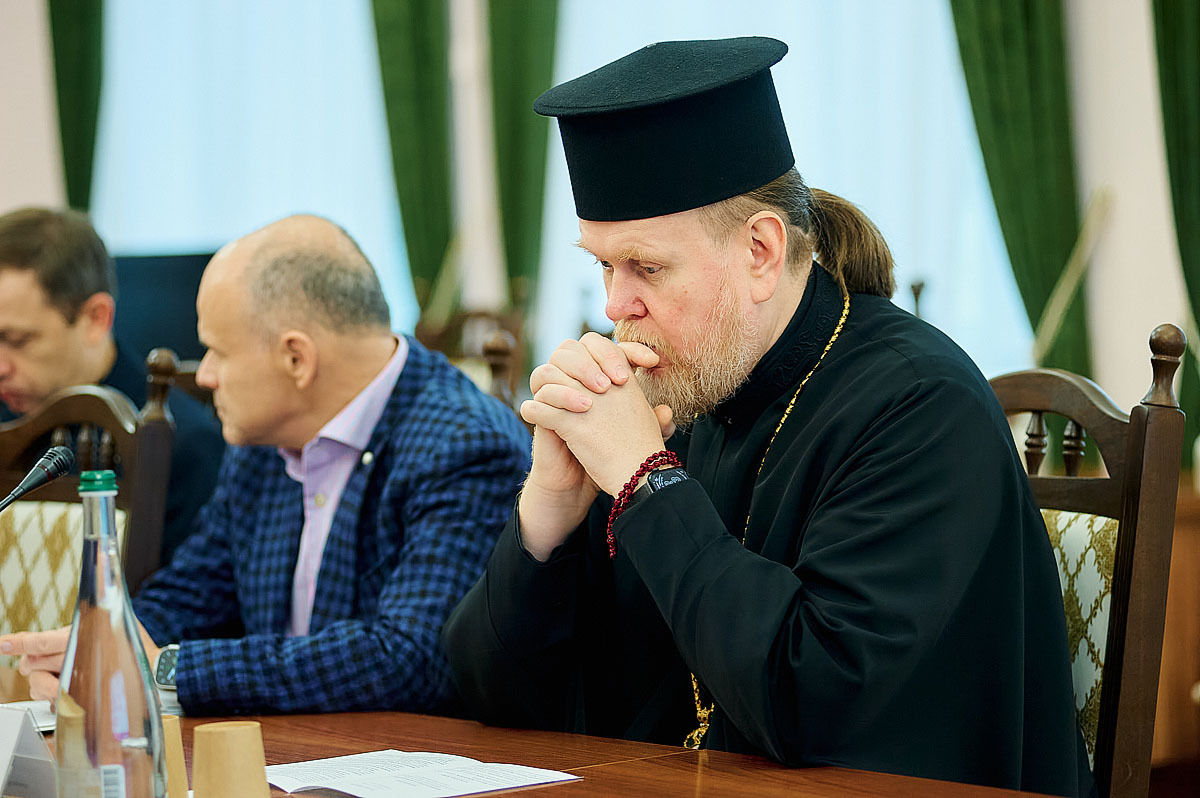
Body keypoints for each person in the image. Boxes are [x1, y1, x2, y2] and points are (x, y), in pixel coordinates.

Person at [442, 37, 1094, 796]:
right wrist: (548, 509)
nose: (617, 306)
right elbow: (490, 695)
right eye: (603, 266)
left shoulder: (921, 405)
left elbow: (816, 709)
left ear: (760, 250)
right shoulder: (688, 387)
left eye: (646, 267)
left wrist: (647, 482)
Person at [3, 214, 531, 714]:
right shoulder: (262, 438)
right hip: (288, 749)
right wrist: (103, 644)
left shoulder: (464, 444)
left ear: (296, 358)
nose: (204, 376)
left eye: (217, 352)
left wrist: (168, 667)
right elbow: (194, 591)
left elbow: (409, 658)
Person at [0, 207, 225, 565]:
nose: (1, 367)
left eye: (17, 340)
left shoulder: (183, 445)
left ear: (96, 318)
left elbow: (181, 596)